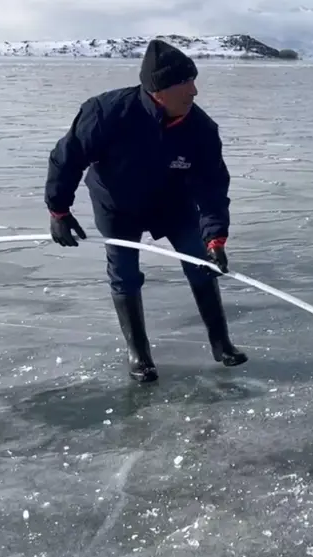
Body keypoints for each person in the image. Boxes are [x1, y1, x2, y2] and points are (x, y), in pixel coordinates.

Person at [43, 39, 248, 383]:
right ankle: (140, 354)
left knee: (200, 263)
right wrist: (59, 210)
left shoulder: (201, 129)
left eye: (194, 80)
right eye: (185, 83)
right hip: (118, 206)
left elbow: (212, 186)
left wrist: (215, 236)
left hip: (173, 203)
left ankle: (221, 343)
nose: (194, 91)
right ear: (159, 90)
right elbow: (68, 158)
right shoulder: (107, 112)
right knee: (124, 272)